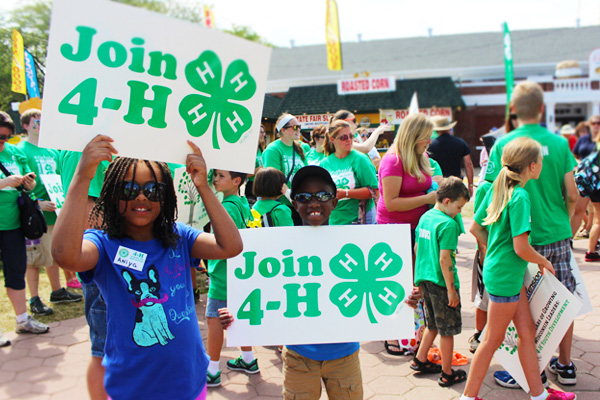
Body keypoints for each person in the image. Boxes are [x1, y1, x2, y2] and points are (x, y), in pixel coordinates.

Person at [51, 135, 243, 400]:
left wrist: (204, 187)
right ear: (112, 195)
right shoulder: (103, 244)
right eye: (129, 190)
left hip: (189, 381)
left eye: (153, 190)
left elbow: (230, 246)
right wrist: (82, 177)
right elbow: (65, 256)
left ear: (166, 198)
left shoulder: (179, 236)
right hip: (133, 388)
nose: (141, 197)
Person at [464, 136, 575, 400]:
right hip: (506, 276)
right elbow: (520, 247)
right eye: (541, 162)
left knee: (527, 333)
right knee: (491, 339)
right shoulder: (521, 196)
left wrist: (494, 252)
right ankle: (468, 397)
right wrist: (544, 261)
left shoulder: (499, 187)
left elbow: (476, 227)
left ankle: (539, 394)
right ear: (533, 166)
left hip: (504, 273)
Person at [485, 81, 579, 389]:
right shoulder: (560, 143)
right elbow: (573, 195)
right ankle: (564, 365)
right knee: (562, 301)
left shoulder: (504, 144)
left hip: (520, 244)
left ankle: (523, 371)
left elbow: (490, 193)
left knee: (523, 312)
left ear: (513, 110)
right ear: (541, 109)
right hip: (557, 236)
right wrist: (566, 226)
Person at [376, 113, 436, 355]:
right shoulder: (392, 161)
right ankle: (394, 335)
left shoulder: (422, 157)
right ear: (414, 135)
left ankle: (414, 334)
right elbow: (390, 203)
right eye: (426, 137)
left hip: (418, 229)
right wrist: (428, 198)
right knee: (398, 284)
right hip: (395, 229)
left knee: (416, 284)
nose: (430, 141)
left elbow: (429, 183)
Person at [17, 109, 83, 316]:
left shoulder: (52, 151)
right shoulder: (21, 150)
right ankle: (34, 299)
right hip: (35, 213)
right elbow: (20, 184)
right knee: (34, 258)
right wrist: (37, 203)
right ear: (26, 125)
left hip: (56, 210)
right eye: (37, 120)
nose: (41, 123)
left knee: (53, 252)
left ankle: (57, 291)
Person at [412, 177, 470, 387]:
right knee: (447, 330)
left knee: (433, 324)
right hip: (442, 283)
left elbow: (417, 249)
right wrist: (451, 290)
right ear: (447, 201)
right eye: (459, 207)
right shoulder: (448, 224)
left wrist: (418, 279)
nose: (459, 212)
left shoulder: (426, 217)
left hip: (425, 279)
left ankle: (420, 358)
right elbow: (445, 259)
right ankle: (447, 373)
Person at [0, 110, 48, 336]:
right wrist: (3, 183)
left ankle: (22, 320)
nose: (2, 142)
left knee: (16, 271)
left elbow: (28, 179)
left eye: (6, 137)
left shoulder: (12, 152)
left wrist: (28, 184)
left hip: (12, 225)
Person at [206, 169, 255, 388]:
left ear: (237, 181)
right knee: (238, 317)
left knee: (214, 320)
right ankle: (248, 359)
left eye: (221, 176)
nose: (215, 179)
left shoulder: (225, 207)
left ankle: (212, 370)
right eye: (215, 175)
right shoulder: (242, 203)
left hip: (222, 273)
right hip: (238, 273)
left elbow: (222, 240)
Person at [320, 120, 379, 225]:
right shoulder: (325, 164)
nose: (349, 140)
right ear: (332, 139)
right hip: (335, 221)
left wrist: (346, 193)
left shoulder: (361, 159)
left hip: (360, 221)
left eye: (351, 136)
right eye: (343, 137)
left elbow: (374, 191)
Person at [262, 113, 310, 206]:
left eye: (299, 127)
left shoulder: (301, 147)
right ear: (283, 130)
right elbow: (275, 180)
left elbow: (306, 173)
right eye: (295, 127)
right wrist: (293, 199)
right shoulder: (273, 150)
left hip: (302, 201)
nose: (299, 130)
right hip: (282, 203)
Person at [428, 116, 474, 196]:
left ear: (436, 130)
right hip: (456, 183)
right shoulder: (461, 143)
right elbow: (468, 164)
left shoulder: (431, 145)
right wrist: (470, 185)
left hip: (438, 183)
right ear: (449, 128)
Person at [580, 115, 600, 262]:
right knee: (598, 221)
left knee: (597, 220)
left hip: (595, 186)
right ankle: (591, 251)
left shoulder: (596, 148)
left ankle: (591, 251)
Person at [245, 124, 266, 206]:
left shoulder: (262, 150)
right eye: (261, 132)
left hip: (262, 185)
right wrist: (260, 169)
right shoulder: (249, 151)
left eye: (264, 132)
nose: (263, 134)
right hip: (252, 186)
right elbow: (244, 175)